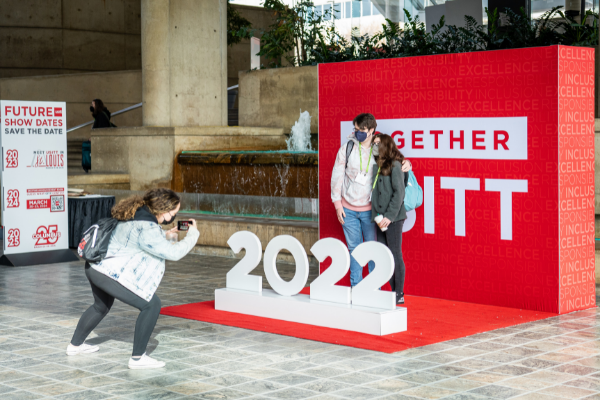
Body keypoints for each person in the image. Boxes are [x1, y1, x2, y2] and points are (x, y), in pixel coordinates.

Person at [67, 188, 200, 369]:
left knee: (101, 306)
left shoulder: (135, 214)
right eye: (174, 214)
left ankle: (75, 346)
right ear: (163, 211)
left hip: (95, 267)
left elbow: (141, 241)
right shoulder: (147, 226)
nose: (173, 217)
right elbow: (173, 253)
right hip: (107, 273)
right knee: (151, 305)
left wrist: (168, 234)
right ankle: (138, 358)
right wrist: (193, 235)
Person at [331, 113, 411, 287]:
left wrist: (407, 164)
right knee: (355, 249)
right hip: (348, 209)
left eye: (362, 130)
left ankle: (374, 289)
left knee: (373, 250)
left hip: (370, 210)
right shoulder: (348, 148)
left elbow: (395, 159)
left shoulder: (378, 147)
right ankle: (357, 288)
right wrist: (338, 205)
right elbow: (336, 176)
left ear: (372, 130)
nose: (358, 133)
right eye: (356, 129)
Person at [372, 134, 407, 304]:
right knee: (385, 256)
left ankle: (398, 293)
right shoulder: (376, 165)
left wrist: (389, 217)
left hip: (392, 219)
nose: (375, 146)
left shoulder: (395, 165)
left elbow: (399, 193)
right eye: (374, 143)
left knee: (395, 253)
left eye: (378, 144)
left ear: (386, 145)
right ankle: (393, 293)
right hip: (379, 219)